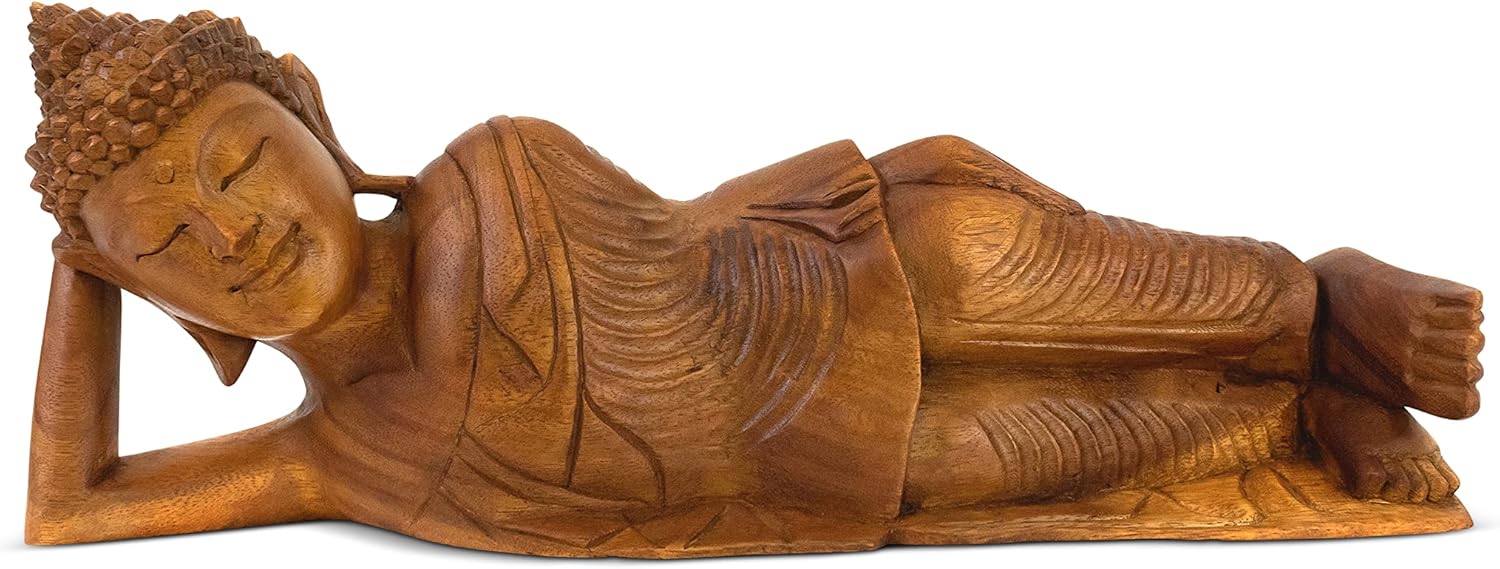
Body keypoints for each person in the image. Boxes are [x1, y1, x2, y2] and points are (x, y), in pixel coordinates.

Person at [23, 4, 1485, 557]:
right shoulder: (335, 455)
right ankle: (1311, 410)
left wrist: (120, 251)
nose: (232, 235)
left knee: (1100, 288)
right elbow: (69, 508)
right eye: (168, 245)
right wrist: (81, 271)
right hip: (859, 470)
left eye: (240, 164)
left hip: (857, 266)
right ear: (164, 297)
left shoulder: (488, 171)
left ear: (316, 121)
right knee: (1104, 448)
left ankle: (1320, 299)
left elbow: (674, 262)